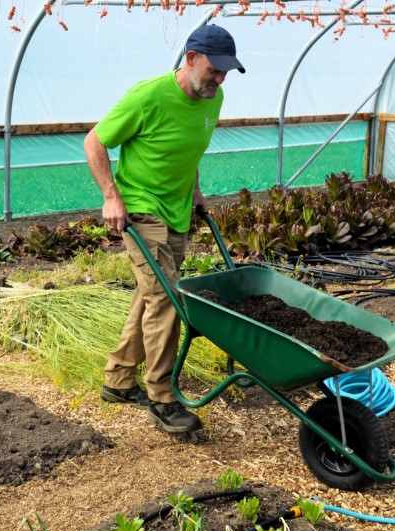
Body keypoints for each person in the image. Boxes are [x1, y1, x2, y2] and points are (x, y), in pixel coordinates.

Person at [83, 24, 245, 434]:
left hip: (177, 211)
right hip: (140, 208)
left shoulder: (213, 98)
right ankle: (162, 397)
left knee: (151, 293)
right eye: (214, 70)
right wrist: (111, 197)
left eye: (226, 72)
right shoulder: (148, 96)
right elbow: (94, 142)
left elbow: (189, 151)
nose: (220, 79)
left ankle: (118, 380)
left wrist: (196, 191)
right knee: (168, 297)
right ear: (191, 58)